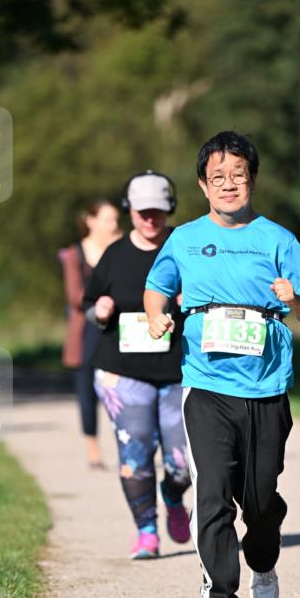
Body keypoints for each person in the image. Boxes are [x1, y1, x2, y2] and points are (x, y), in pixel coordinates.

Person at [144, 131, 300, 598]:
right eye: (218, 177)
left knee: (261, 499)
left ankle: (262, 559)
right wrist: (157, 317)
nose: (229, 185)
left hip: (266, 386)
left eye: (238, 176)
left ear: (252, 181)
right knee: (214, 493)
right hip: (205, 384)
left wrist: (297, 297)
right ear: (203, 185)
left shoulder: (278, 240)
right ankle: (220, 595)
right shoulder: (183, 239)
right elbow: (157, 288)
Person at [83, 172, 192, 559]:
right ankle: (146, 530)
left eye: (158, 212)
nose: (151, 219)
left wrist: (190, 298)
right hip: (124, 373)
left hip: (181, 372)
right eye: (143, 212)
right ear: (130, 211)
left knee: (182, 462)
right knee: (136, 457)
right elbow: (90, 302)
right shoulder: (115, 255)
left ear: (170, 210)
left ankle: (173, 497)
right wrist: (100, 310)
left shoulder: (187, 245)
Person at [59, 200, 120, 468]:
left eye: (116, 219)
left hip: (117, 327)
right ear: (92, 221)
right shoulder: (75, 254)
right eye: (108, 219)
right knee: (86, 387)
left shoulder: (122, 250)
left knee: (122, 387)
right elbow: (75, 297)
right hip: (87, 329)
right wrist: (106, 299)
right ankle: (92, 446)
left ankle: (129, 442)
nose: (114, 225)